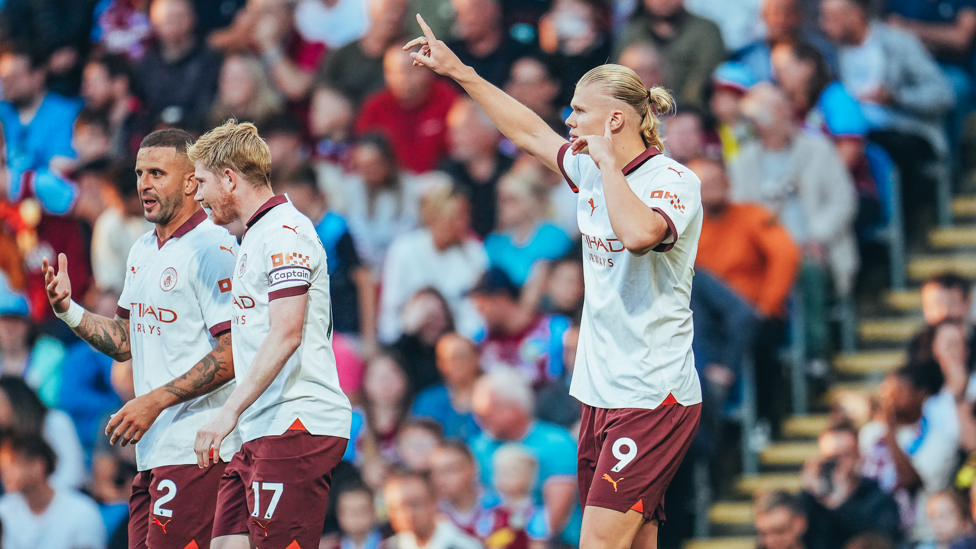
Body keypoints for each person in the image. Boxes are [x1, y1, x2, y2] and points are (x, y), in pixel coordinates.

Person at [405, 17, 703, 548]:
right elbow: (526, 130)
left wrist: (609, 163)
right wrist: (460, 72)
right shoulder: (590, 169)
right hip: (600, 391)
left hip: (652, 394)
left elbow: (638, 235)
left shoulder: (673, 181)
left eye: (579, 111)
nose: (567, 121)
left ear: (615, 121)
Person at [43, 129, 242, 549]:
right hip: (154, 452)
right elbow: (124, 341)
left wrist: (152, 401)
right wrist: (69, 310)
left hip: (200, 451)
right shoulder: (142, 250)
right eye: (139, 173)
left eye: (157, 173)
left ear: (191, 182)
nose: (143, 184)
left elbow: (233, 354)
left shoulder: (215, 248)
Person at [189, 120, 353, 549]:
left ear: (229, 178)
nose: (197, 195)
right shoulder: (256, 236)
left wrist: (228, 413)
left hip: (296, 423)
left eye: (202, 181)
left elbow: (287, 333)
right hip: (259, 426)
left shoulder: (284, 235)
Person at [689, 156, 800, 430]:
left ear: (728, 183)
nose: (711, 189)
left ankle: (764, 419)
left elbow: (786, 254)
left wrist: (768, 304)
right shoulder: (684, 228)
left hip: (755, 310)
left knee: (757, 337)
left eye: (716, 182)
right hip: (708, 318)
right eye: (703, 184)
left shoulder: (754, 215)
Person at [273, 164, 378, 352]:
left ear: (304, 190)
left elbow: (365, 281)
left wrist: (368, 340)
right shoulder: (293, 232)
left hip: (343, 332)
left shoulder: (336, 229)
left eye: (285, 195)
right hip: (310, 333)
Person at [469, 368, 580, 544]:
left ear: (515, 407)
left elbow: (556, 519)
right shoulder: (479, 447)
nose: (480, 418)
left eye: (488, 410)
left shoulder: (557, 443)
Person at [378, 181, 487, 343]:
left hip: (455, 343)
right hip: (410, 340)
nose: (464, 222)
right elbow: (390, 311)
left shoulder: (475, 254)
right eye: (457, 216)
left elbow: (477, 317)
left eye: (466, 215)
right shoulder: (403, 250)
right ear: (435, 216)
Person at [860, 363, 959, 541]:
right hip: (876, 532)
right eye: (887, 392)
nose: (891, 399)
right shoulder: (870, 433)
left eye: (899, 391)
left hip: (920, 535)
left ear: (920, 394)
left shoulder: (939, 441)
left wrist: (889, 432)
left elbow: (911, 480)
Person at [356, 42, 459, 173]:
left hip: (440, 180)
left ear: (428, 69)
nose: (403, 78)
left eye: (409, 70)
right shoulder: (375, 106)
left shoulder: (448, 99)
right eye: (394, 72)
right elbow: (363, 151)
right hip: (391, 184)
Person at [799, 424, 901, 549]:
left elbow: (880, 539)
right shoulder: (811, 499)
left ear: (858, 455)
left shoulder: (879, 497)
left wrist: (839, 504)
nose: (838, 463)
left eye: (846, 455)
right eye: (831, 458)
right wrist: (809, 493)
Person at [0, 435, 106, 549]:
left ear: (38, 465)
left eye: (13, 463)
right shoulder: (3, 511)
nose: (5, 472)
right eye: (3, 466)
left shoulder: (82, 512)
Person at [469, 268, 570, 387]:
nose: (480, 314)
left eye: (482, 307)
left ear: (501, 298)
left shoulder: (556, 328)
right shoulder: (481, 340)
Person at [613, 0, 725, 106]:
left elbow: (701, 80)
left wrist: (679, 110)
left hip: (691, 113)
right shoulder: (632, 33)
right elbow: (620, 77)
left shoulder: (706, 31)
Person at [0, 41, 82, 186]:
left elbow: (61, 171)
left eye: (15, 77)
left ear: (39, 75)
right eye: (4, 79)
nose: (7, 85)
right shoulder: (3, 112)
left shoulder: (68, 113)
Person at [137, 0, 221, 130]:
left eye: (179, 17)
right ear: (155, 24)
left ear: (192, 19)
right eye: (168, 19)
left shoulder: (209, 60)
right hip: (154, 137)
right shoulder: (146, 64)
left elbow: (210, 106)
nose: (174, 25)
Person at [485, 167, 574, 287]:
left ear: (531, 201)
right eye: (500, 199)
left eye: (511, 200)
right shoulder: (494, 242)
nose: (502, 206)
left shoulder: (553, 236)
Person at [438, 98, 513, 239]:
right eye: (452, 131)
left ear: (489, 131)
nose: (453, 138)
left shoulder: (514, 169)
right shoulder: (445, 173)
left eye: (461, 131)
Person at [315, 0, 412, 105]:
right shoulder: (342, 55)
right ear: (371, 10)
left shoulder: (411, 57)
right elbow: (322, 88)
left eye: (403, 10)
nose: (396, 16)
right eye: (390, 9)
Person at [731, 0, 838, 82]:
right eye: (776, 13)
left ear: (799, 16)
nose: (781, 20)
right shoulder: (747, 55)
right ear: (763, 16)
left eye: (788, 13)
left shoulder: (820, 50)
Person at [382, 470, 484, 549]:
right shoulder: (387, 547)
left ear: (434, 501)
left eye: (415, 504)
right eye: (397, 507)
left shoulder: (464, 546)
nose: (408, 514)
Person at [411, 333, 482, 440]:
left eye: (460, 357)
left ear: (476, 358)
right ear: (440, 364)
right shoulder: (428, 400)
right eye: (448, 359)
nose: (456, 364)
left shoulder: (492, 395)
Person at [476, 444, 547, 549]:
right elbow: (482, 536)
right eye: (501, 472)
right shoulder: (491, 509)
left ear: (530, 475)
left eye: (513, 472)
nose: (505, 478)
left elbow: (538, 543)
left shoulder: (534, 513)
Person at [446, 0, 530, 88]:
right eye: (459, 13)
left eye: (473, 11)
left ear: (494, 10)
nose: (467, 19)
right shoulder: (450, 53)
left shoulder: (520, 50)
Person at [81, 54, 146, 157]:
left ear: (120, 84)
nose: (86, 91)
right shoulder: (93, 118)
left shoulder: (143, 122)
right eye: (86, 83)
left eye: (95, 83)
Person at [429, 440, 493, 536]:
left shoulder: (497, 506)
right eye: (435, 472)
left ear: (472, 469)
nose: (440, 480)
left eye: (449, 470)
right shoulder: (432, 514)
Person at [209, 54, 283, 128]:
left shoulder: (275, 124)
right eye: (226, 78)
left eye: (238, 78)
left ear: (256, 80)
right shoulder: (210, 123)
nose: (232, 85)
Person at [330, 484, 383, 549]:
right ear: (339, 515)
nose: (356, 517)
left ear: (374, 512)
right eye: (351, 512)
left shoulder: (388, 543)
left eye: (362, 510)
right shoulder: (332, 546)